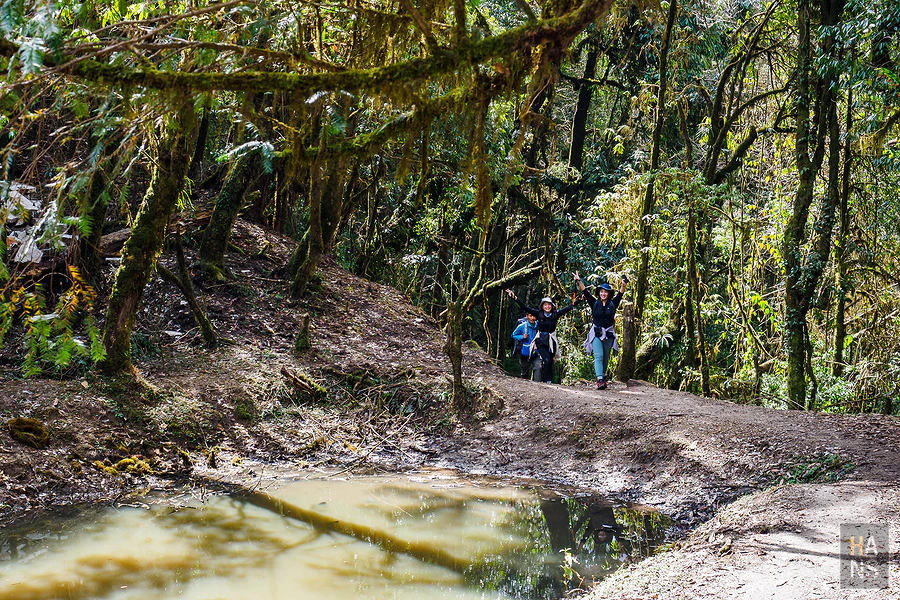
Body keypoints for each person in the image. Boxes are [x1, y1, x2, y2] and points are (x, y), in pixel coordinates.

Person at [504, 288, 580, 384]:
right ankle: (548, 381)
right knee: (546, 360)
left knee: (550, 362)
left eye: (549, 305)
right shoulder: (538, 314)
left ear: (552, 306)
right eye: (545, 305)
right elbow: (524, 307)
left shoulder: (555, 314)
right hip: (541, 341)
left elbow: (569, 307)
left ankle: (547, 380)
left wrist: (580, 300)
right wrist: (514, 297)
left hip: (551, 341)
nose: (547, 306)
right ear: (542, 306)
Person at [574, 272, 627, 389]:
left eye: (605, 292)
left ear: (608, 294)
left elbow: (620, 294)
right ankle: (599, 380)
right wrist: (579, 281)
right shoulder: (595, 303)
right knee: (598, 355)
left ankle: (603, 376)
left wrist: (623, 285)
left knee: (606, 356)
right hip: (596, 332)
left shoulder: (613, 304)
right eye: (601, 291)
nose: (603, 294)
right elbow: (585, 293)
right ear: (599, 293)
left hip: (608, 333)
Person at [511, 313, 542, 381]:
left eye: (534, 316)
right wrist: (522, 337)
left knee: (538, 367)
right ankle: (525, 385)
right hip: (524, 351)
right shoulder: (522, 326)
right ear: (527, 316)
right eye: (530, 316)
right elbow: (513, 335)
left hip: (535, 351)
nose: (532, 318)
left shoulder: (539, 326)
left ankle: (537, 385)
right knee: (524, 370)